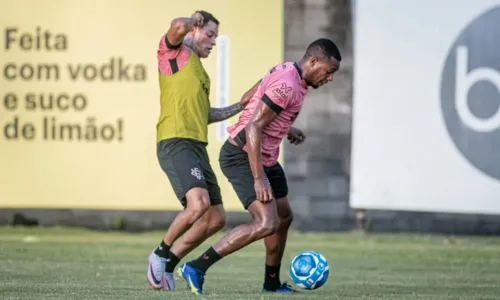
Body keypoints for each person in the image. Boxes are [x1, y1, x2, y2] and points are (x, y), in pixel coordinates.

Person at [176, 38, 342, 295]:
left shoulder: (287, 70)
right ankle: (196, 267)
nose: (329, 78)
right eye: (329, 72)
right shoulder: (288, 85)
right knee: (266, 223)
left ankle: (272, 284)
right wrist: (258, 178)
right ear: (314, 61)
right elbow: (254, 126)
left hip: (265, 156)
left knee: (283, 216)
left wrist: (284, 126)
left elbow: (248, 98)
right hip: (242, 155)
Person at [147, 10, 259, 291]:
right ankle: (159, 254)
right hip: (175, 140)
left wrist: (240, 106)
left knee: (216, 218)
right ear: (194, 30)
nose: (212, 42)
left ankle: (169, 265)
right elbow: (175, 27)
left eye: (215, 38)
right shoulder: (173, 54)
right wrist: (192, 19)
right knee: (198, 205)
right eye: (209, 35)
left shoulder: (198, 68)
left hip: (197, 145)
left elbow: (204, 114)